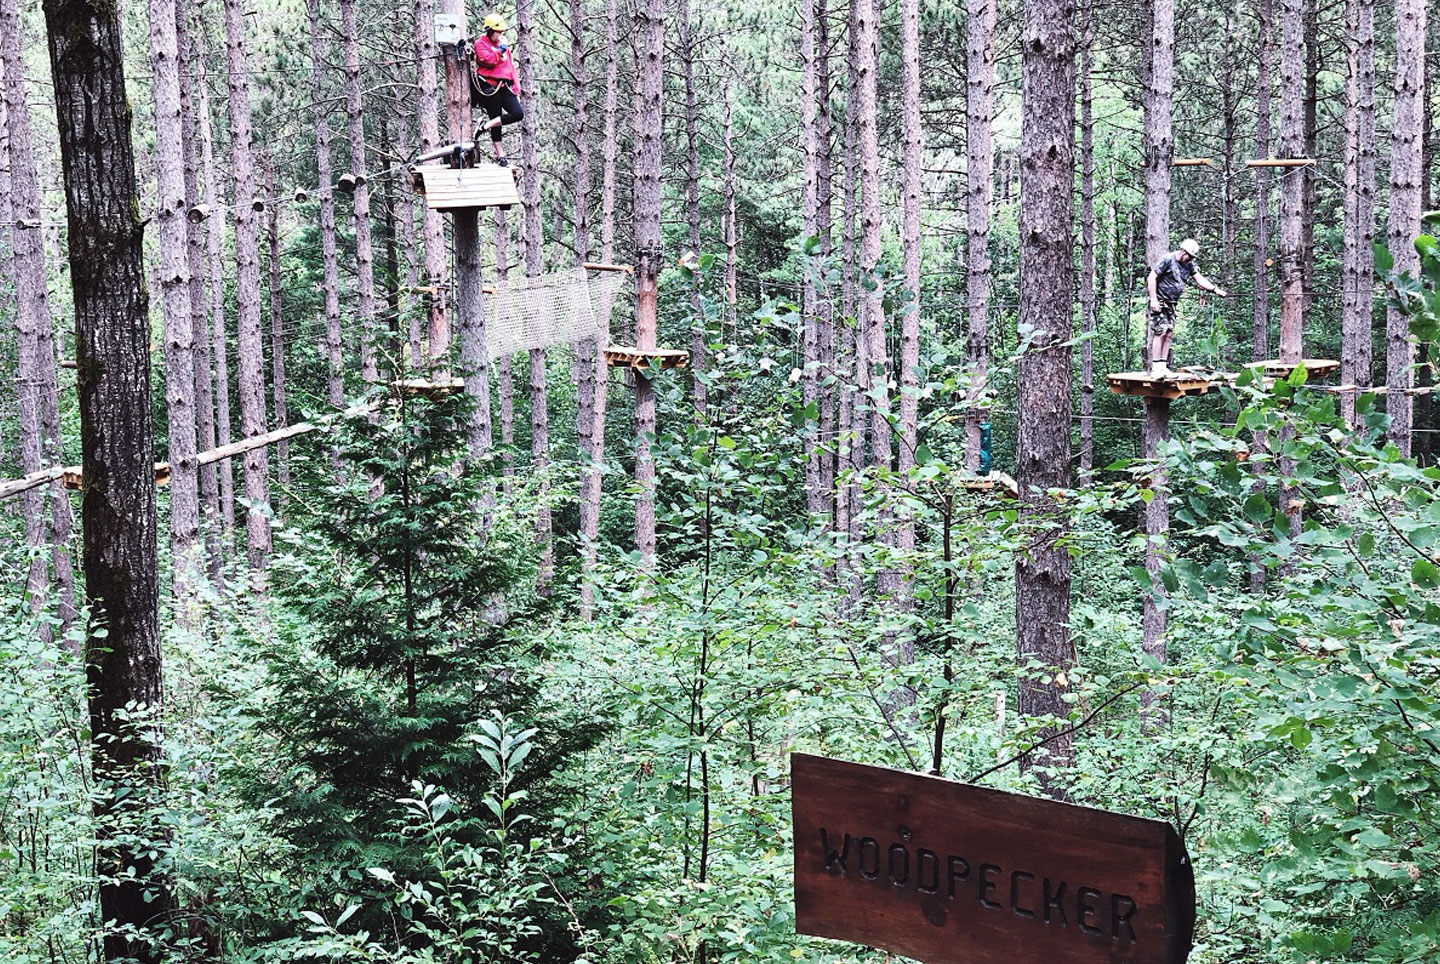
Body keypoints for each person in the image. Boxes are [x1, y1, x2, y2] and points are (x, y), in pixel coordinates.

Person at [1146, 238, 1227, 374]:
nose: (1190, 259)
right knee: (1161, 332)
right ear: (1183, 251)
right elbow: (1151, 277)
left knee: (1169, 333)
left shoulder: (1189, 265)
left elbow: (1199, 278)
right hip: (1160, 301)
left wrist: (1214, 289)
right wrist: (1153, 299)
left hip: (1172, 303)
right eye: (1189, 256)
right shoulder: (1167, 259)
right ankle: (1155, 367)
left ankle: (1162, 365)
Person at [472, 13, 523, 166]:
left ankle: (484, 126)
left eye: (501, 32)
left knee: (517, 113)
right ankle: (501, 156)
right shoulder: (480, 44)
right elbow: (487, 61)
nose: (500, 35)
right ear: (489, 30)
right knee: (497, 117)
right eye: (498, 32)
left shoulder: (503, 46)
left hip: (503, 85)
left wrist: (516, 85)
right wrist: (499, 51)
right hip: (489, 86)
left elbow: (510, 66)